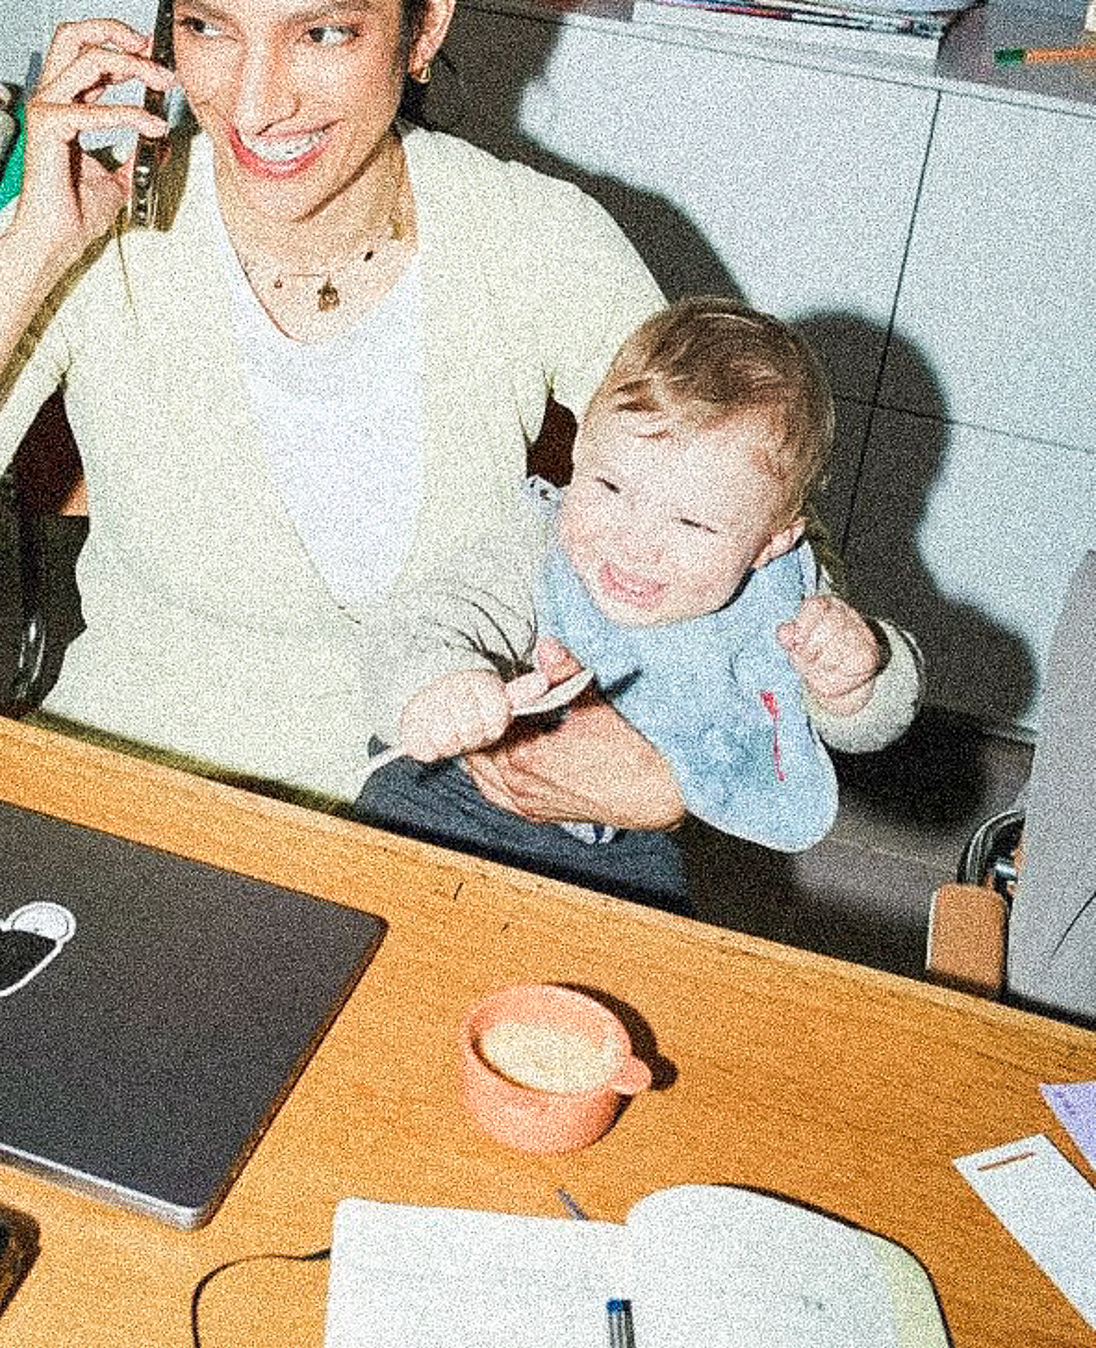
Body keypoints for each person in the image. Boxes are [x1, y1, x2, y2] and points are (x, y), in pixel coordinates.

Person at [0, 0, 916, 827]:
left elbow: (767, 549)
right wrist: (21, 262)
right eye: (208, 25)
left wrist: (668, 761)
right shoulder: (89, 230)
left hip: (442, 830)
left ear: (427, 23)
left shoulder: (532, 243)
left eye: (322, 31)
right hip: (133, 804)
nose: (257, 102)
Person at [357, 301, 917, 903]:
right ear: (579, 453)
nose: (635, 544)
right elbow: (417, 624)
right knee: (377, 901)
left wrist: (859, 677)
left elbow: (867, 722)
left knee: (647, 961)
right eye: (610, 486)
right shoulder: (541, 550)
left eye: (692, 524)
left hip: (630, 839)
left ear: (772, 541)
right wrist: (443, 686)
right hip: (454, 792)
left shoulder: (782, 600)